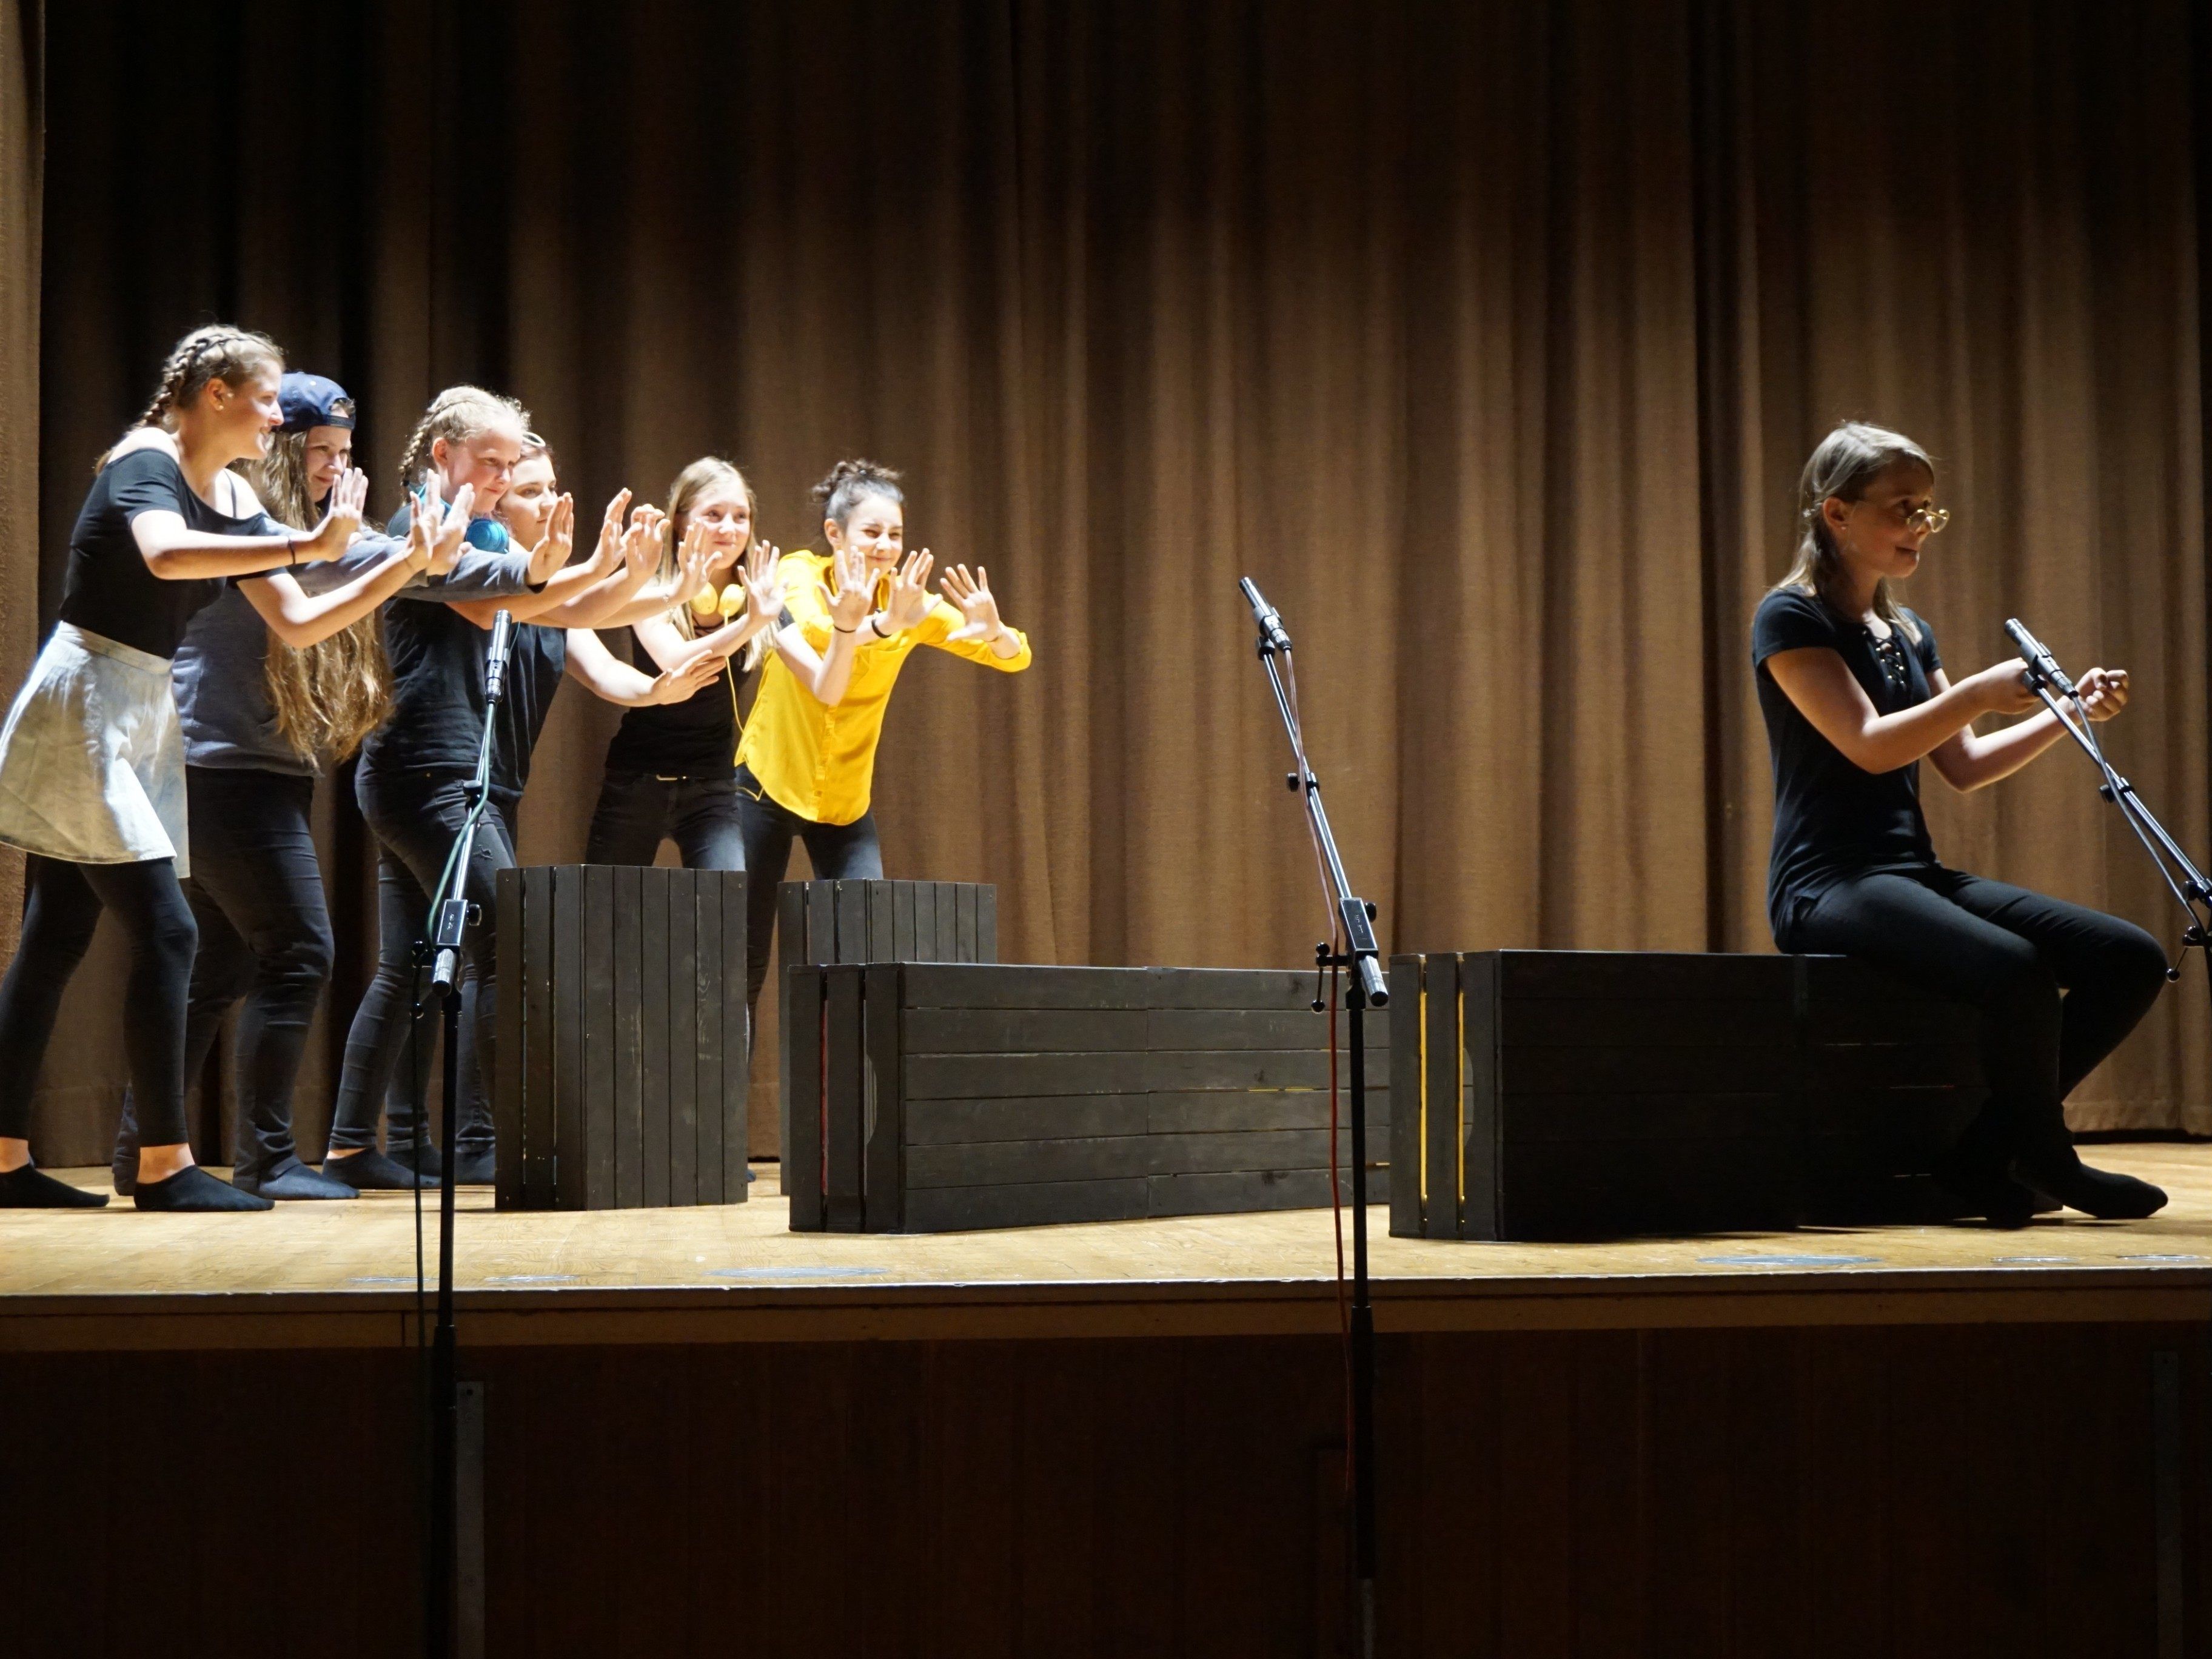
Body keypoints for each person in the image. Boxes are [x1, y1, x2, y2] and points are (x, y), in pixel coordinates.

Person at [109, 373, 558, 1199]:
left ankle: (150, 1145)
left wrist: (438, 559)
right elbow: (339, 606)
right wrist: (445, 561)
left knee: (222, 964)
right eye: (320, 453)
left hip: (255, 764)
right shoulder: (249, 524)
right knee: (300, 952)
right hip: (218, 762)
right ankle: (269, 1159)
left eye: (343, 454)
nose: (333, 470)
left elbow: (421, 575)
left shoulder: (310, 533)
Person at [0, 325, 389, 1210]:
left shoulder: (232, 493)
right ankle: (164, 1165)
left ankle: (3, 1156)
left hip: (139, 711)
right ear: (216, 392)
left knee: (56, 937)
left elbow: (296, 620)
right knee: (170, 933)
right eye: (265, 401)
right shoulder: (145, 458)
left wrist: (404, 561)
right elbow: (165, 553)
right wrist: (309, 545)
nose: (274, 419)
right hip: (88, 699)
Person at [1752, 421, 2170, 1225]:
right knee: (2015, 970)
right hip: (1826, 882)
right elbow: (1871, 749)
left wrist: (2069, 711)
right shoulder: (1791, 619)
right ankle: (2047, 1155)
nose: (1919, 527)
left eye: (1929, 511)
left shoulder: (1907, 631)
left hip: (1909, 872)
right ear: (1837, 514)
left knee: (2128, 957)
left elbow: (1966, 765)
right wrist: (1976, 691)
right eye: (1903, 508)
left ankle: (1984, 1151)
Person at [323, 421, 730, 1187]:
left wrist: (661, 647)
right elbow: (527, 601)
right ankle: (495, 1145)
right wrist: (613, 570)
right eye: (523, 485)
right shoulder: (455, 553)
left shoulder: (534, 588)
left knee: (410, 966)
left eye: (542, 483)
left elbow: (602, 654)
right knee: (503, 949)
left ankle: (366, 1144)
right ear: (495, 500)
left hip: (474, 790)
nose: (540, 497)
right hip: (427, 780)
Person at [734, 458, 1032, 1027]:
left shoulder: (908, 601)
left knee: (865, 960)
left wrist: (994, 631)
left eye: (895, 534)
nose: (885, 546)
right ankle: (724, 1112)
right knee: (742, 965)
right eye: (872, 533)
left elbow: (1016, 659)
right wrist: (881, 627)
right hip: (766, 787)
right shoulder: (799, 573)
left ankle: (850, 1108)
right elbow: (815, 636)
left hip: (845, 801)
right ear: (834, 534)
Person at [585, 456, 868, 871]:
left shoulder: (760, 597)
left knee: (725, 918)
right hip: (637, 779)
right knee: (604, 918)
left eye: (741, 517)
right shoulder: (651, 587)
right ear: (681, 521)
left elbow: (827, 687)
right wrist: (752, 623)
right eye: (713, 515)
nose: (729, 528)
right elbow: (678, 662)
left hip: (712, 788)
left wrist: (845, 632)